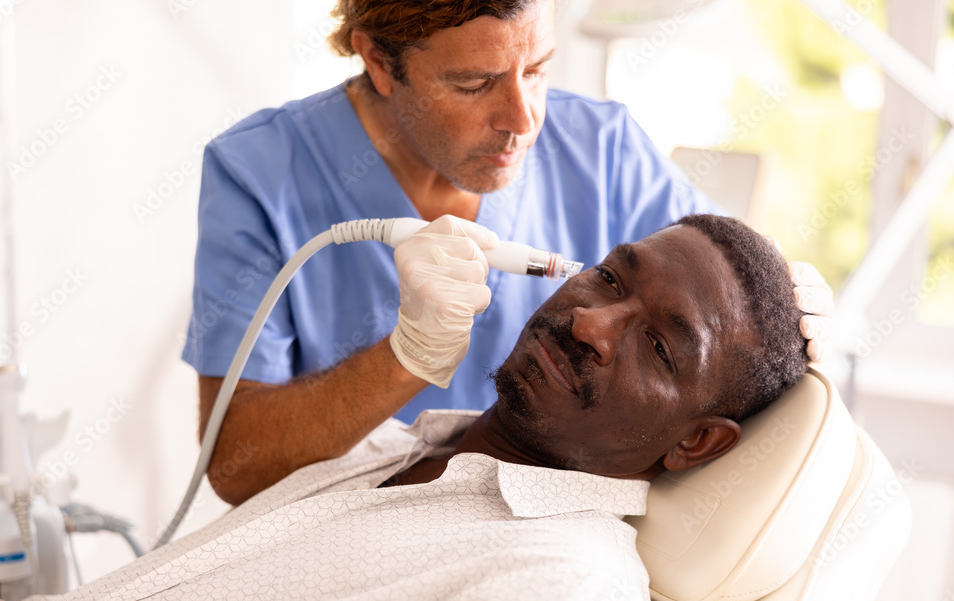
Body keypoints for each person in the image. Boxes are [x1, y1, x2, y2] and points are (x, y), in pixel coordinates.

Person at [0, 215, 808, 601]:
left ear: (698, 442)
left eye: (659, 346)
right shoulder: (393, 452)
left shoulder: (564, 589)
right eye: (611, 276)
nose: (591, 320)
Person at [181, 0, 833, 506]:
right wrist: (407, 357)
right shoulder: (262, 174)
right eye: (474, 83)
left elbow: (730, 313)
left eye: (538, 69)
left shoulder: (601, 150)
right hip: (338, 534)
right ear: (379, 61)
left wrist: (798, 300)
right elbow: (237, 465)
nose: (523, 120)